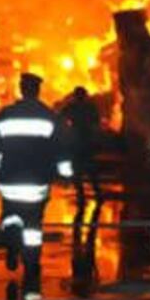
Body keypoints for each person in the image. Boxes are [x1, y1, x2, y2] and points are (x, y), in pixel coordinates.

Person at [0, 73, 72, 274]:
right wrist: (66, 175)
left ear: (21, 89)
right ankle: (31, 262)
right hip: (36, 181)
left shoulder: (5, 114)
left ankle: (10, 244)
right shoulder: (48, 117)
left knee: (9, 214)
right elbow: (62, 149)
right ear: (37, 91)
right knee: (33, 224)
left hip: (8, 180)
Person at [60, 86, 104, 242]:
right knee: (90, 170)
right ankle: (97, 194)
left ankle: (82, 195)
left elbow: (61, 118)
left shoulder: (72, 107)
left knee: (78, 171)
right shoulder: (89, 107)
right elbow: (96, 122)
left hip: (77, 142)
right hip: (85, 142)